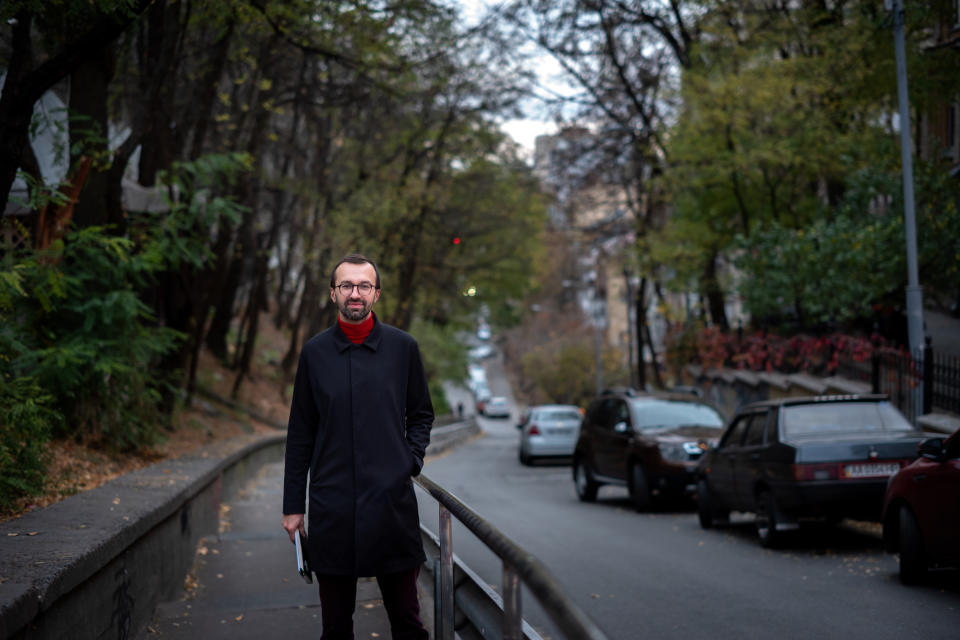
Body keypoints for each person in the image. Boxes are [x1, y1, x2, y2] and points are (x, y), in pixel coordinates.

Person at [281, 253, 433, 640]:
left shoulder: (403, 348)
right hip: (333, 506)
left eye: (364, 285)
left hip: (391, 505)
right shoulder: (314, 354)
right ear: (333, 294)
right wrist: (293, 506)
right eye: (346, 285)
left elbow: (420, 414)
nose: (355, 293)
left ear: (376, 294)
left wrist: (410, 461)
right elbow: (300, 431)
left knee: (407, 622)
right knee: (335, 629)